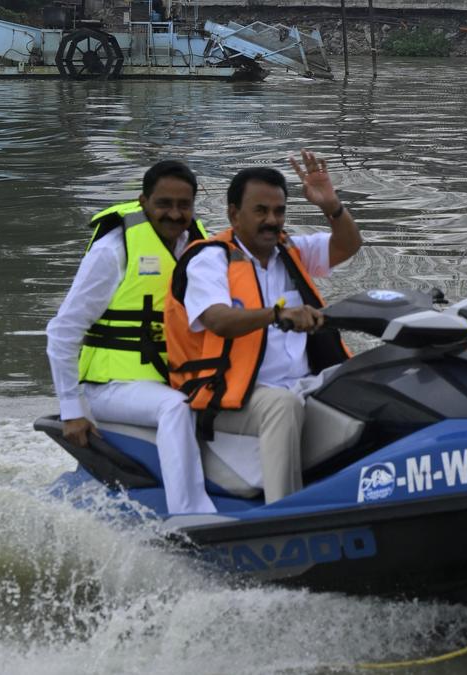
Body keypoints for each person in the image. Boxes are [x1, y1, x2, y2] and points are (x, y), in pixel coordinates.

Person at [165, 150, 362, 504]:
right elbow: (218, 320)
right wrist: (276, 315)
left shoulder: (290, 250)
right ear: (233, 214)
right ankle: (284, 511)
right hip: (228, 395)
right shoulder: (209, 259)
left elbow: (348, 245)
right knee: (281, 405)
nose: (272, 221)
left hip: (300, 383)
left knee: (366, 380)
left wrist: (330, 205)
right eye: (261, 211)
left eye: (279, 211)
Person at [47, 160, 217, 514]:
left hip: (169, 377)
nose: (174, 213)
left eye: (183, 205)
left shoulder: (199, 243)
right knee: (176, 408)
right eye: (164, 204)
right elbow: (63, 332)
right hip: (111, 385)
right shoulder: (114, 250)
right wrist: (71, 410)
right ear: (143, 201)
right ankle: (191, 515)